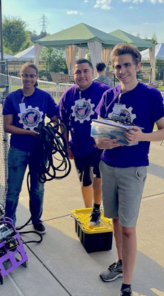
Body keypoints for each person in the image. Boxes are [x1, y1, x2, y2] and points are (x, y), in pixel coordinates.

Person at [95, 43, 164, 296]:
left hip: (133, 168)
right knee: (114, 220)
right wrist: (101, 143)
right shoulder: (108, 96)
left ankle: (126, 286)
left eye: (127, 65)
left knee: (128, 227)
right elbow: (98, 133)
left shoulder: (150, 95)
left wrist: (142, 137)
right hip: (108, 166)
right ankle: (120, 262)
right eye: (117, 66)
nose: (122, 70)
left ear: (138, 65)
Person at [2, 62, 59, 234]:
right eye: (25, 75)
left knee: (37, 188)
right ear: (20, 76)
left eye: (32, 76)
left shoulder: (44, 97)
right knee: (13, 190)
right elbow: (7, 126)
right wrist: (29, 132)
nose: (28, 79)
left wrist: (48, 130)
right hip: (18, 149)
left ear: (37, 78)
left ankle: (36, 220)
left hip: (39, 151)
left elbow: (56, 119)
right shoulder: (12, 98)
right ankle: (8, 223)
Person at [59, 59, 110, 226]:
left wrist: (104, 139)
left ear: (93, 73)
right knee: (85, 179)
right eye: (78, 72)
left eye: (85, 71)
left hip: (98, 146)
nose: (82, 75)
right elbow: (63, 123)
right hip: (78, 145)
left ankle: (96, 209)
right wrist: (66, 146)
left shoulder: (104, 91)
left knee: (98, 177)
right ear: (73, 75)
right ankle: (89, 211)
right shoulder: (68, 94)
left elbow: (112, 118)